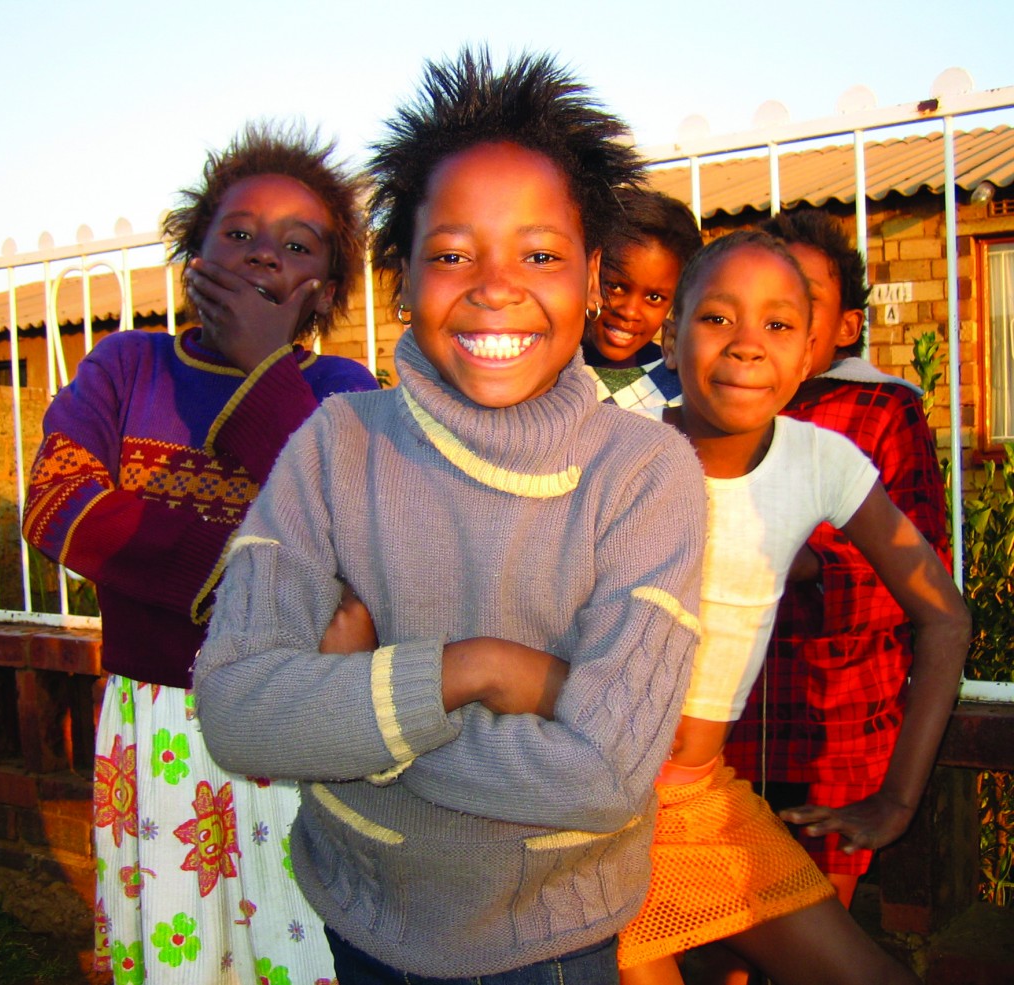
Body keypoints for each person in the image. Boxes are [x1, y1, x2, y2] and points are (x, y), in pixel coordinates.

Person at [194, 48, 706, 985]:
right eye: (452, 253)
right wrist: (484, 672)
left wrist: (357, 722)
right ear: (402, 275)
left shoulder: (644, 474)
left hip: (551, 941)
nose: (495, 284)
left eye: (540, 253)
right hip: (363, 912)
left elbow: (604, 773)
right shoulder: (336, 446)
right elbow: (236, 710)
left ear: (592, 277)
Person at [22, 122, 378, 984]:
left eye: (296, 246)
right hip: (159, 727)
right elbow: (59, 505)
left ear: (328, 287)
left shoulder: (341, 394)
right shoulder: (124, 367)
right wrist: (266, 580)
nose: (264, 257)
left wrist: (264, 369)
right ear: (194, 253)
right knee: (177, 949)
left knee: (301, 945)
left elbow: (348, 537)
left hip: (294, 723)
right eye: (240, 234)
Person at [616, 230, 969, 985]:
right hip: (593, 814)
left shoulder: (821, 461)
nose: (747, 346)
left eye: (777, 325)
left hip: (704, 802)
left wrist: (898, 798)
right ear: (670, 337)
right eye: (717, 318)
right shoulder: (617, 452)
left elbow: (945, 616)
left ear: (811, 350)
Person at [723, 209, 951, 909]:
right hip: (722, 740)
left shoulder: (880, 411)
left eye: (799, 301)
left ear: (846, 326)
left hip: (835, 734)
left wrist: (816, 566)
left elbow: (926, 582)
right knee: (718, 939)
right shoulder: (719, 406)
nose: (766, 327)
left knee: (812, 930)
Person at [582, 187, 700, 418]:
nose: (629, 312)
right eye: (615, 286)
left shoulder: (683, 386)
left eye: (654, 298)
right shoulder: (549, 369)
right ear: (590, 269)